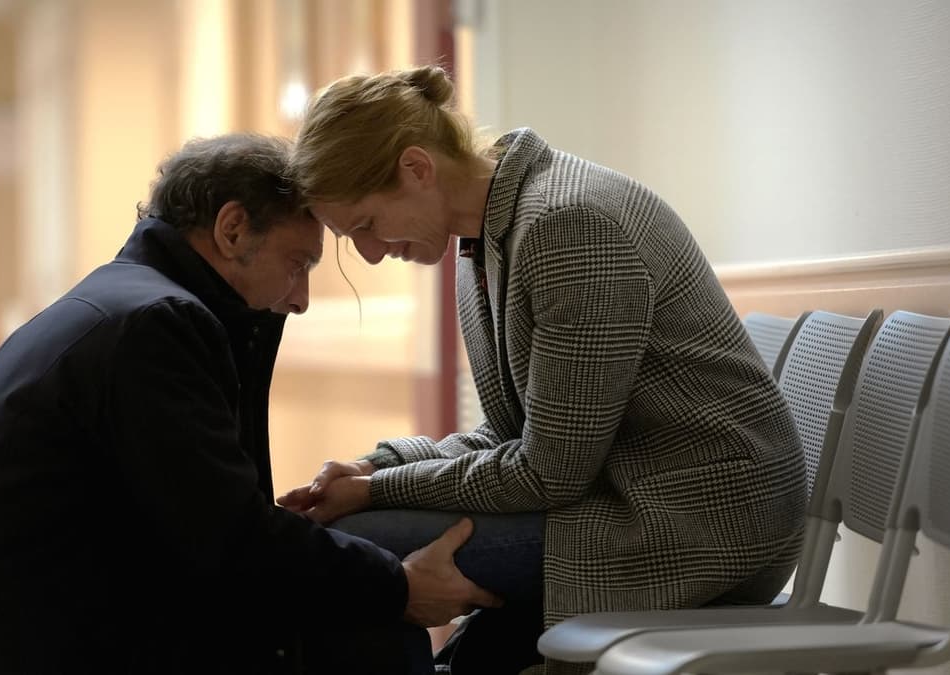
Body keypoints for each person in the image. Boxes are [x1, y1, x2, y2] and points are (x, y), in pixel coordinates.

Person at [0, 133, 500, 675]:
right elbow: (232, 540)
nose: (301, 298)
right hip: (12, 647)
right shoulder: (154, 326)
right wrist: (398, 585)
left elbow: (205, 530)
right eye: (297, 263)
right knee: (363, 627)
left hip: (3, 637)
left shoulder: (123, 306)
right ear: (232, 229)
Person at [279, 66, 808, 675]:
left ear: (417, 168)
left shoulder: (568, 227)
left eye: (367, 226)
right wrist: (378, 465)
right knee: (363, 549)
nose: (371, 254)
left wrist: (377, 490)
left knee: (362, 546)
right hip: (622, 498)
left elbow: (547, 471)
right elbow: (512, 434)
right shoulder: (486, 238)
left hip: (703, 527)